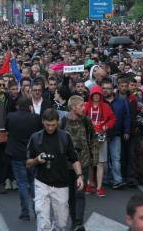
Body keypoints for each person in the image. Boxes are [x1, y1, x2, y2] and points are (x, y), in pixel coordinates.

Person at [27, 109, 84, 231]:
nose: (50, 128)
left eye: (53, 125)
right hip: (41, 183)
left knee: (61, 224)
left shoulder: (65, 137)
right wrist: (37, 160)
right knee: (43, 221)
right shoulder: (35, 138)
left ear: (57, 122)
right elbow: (28, 163)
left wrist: (79, 176)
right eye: (48, 125)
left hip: (61, 184)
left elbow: (74, 159)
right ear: (43, 122)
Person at [61, 95, 97, 231]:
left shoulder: (86, 120)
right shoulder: (63, 122)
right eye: (81, 106)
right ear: (73, 107)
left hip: (84, 162)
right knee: (70, 195)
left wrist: (94, 158)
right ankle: (74, 221)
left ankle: (78, 223)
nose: (84, 108)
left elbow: (93, 138)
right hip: (68, 165)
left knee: (80, 194)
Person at [5, 96, 43, 221]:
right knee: (33, 182)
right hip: (31, 154)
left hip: (16, 153)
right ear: (30, 106)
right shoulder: (35, 118)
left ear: (18, 106)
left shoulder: (11, 116)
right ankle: (37, 210)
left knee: (21, 183)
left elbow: (7, 129)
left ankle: (25, 212)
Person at [83, 86, 115, 196]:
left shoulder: (105, 106)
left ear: (101, 95)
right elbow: (81, 117)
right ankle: (89, 183)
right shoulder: (86, 105)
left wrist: (106, 126)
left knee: (100, 162)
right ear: (91, 95)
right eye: (94, 94)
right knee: (90, 162)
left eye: (98, 94)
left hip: (101, 136)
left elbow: (112, 118)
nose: (96, 96)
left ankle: (99, 187)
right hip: (89, 136)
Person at [102, 80, 130, 189]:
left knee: (116, 158)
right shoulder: (99, 101)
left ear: (113, 89)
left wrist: (126, 131)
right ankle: (106, 179)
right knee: (104, 159)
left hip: (116, 133)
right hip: (102, 134)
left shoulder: (121, 101)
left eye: (108, 88)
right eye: (103, 88)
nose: (105, 90)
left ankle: (117, 180)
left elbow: (126, 116)